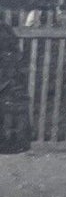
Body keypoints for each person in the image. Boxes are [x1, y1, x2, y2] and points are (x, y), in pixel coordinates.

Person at [0, 18, 33, 153]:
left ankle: (10, 141)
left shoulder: (4, 30)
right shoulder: (6, 29)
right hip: (8, 72)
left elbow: (11, 54)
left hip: (7, 73)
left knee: (9, 107)